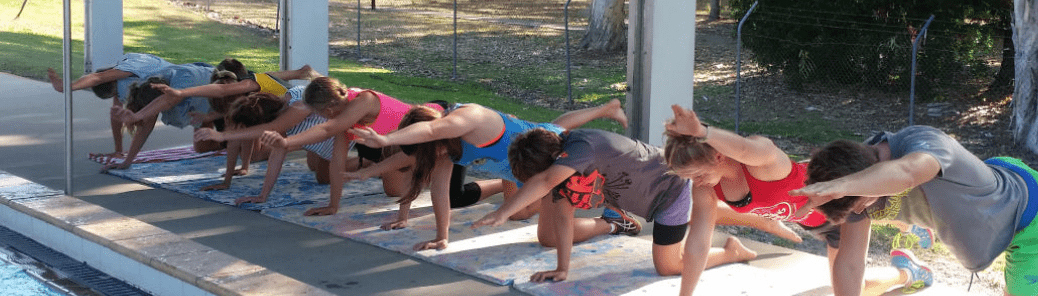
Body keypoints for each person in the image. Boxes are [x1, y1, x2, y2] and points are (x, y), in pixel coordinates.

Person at [471, 128, 757, 294]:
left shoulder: (583, 147)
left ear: (555, 160)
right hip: (634, 199)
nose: (544, 186)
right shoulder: (561, 171)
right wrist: (562, 269)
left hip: (671, 192)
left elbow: (545, 180)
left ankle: (732, 251)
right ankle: (617, 221)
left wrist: (503, 212)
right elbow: (562, 218)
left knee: (669, 266)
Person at [347, 100, 631, 251]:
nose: (431, 158)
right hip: (518, 168)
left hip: (546, 161)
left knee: (549, 236)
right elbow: (439, 190)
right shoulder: (446, 150)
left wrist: (385, 140)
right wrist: (441, 236)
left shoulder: (471, 118)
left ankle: (615, 216)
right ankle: (606, 109)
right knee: (521, 211)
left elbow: (432, 132)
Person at [790, 125, 1038, 296]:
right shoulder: (854, 176)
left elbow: (908, 173)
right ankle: (914, 233)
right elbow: (851, 262)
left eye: (859, 203)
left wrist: (846, 185)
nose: (861, 210)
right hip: (985, 217)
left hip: (1028, 216)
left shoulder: (925, 142)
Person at [256, 77, 504, 222]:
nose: (320, 118)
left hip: (436, 124)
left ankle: (502, 183)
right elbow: (337, 163)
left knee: (454, 197)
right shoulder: (345, 121)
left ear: (328, 111)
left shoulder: (363, 100)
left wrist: (287, 143)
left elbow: (326, 130)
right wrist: (334, 205)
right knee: (395, 190)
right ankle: (427, 173)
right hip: (407, 148)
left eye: (317, 113)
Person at [100, 63, 222, 172]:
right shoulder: (151, 87)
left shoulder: (179, 87)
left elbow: (169, 101)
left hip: (225, 99)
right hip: (204, 106)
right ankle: (226, 139)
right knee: (202, 147)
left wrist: (136, 116)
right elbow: (144, 130)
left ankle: (233, 137)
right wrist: (127, 162)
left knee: (235, 136)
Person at [47, 53, 174, 157]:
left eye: (116, 95)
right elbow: (115, 116)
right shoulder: (127, 75)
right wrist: (118, 150)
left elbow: (98, 78)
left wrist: (66, 87)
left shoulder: (128, 69)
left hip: (179, 85)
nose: (118, 98)